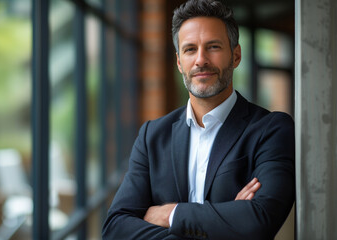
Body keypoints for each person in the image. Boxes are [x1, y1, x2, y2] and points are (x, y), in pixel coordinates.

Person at [102, 0, 295, 239]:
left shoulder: (272, 130)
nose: (200, 60)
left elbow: (259, 220)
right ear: (179, 62)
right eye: (190, 49)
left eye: (213, 47)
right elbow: (115, 228)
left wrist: (171, 214)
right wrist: (226, 220)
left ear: (235, 56)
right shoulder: (152, 136)